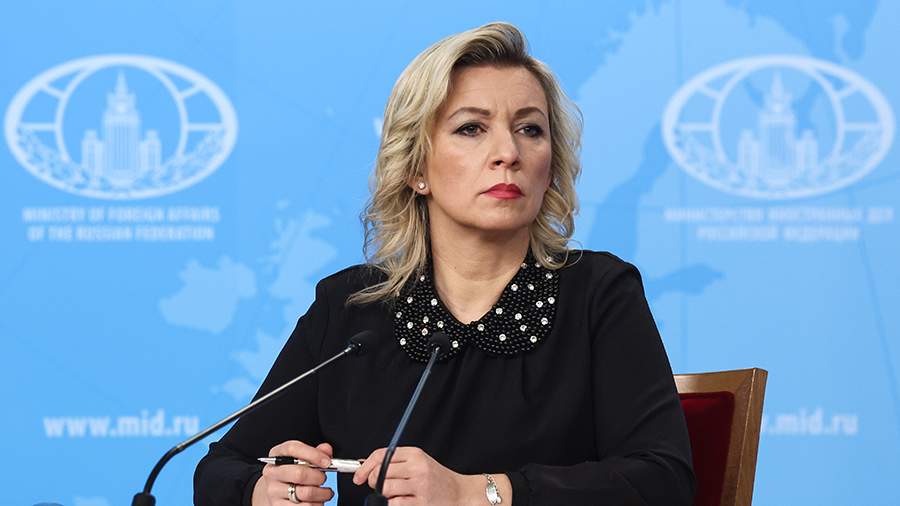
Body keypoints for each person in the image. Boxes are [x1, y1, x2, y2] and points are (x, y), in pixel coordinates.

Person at [194, 21, 694, 506]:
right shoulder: (350, 308)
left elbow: (662, 479)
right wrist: (264, 490)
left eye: (530, 129)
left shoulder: (599, 292)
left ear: (550, 166)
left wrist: (477, 494)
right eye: (471, 128)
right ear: (416, 168)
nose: (508, 152)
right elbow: (221, 468)